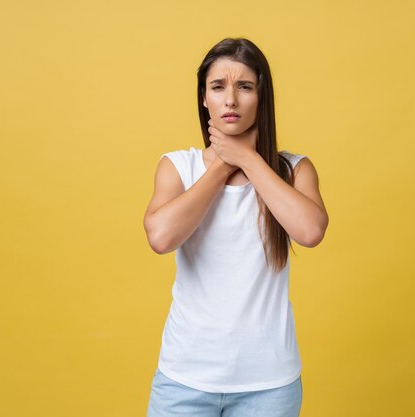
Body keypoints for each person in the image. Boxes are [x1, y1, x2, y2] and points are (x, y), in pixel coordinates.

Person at [143, 37, 328, 417]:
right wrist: (224, 165)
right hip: (184, 379)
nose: (230, 99)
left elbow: (310, 232)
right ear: (203, 98)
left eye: (244, 86)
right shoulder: (179, 167)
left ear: (262, 97)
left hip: (269, 385)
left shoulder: (294, 170)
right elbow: (160, 237)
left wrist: (247, 157)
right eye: (218, 87)